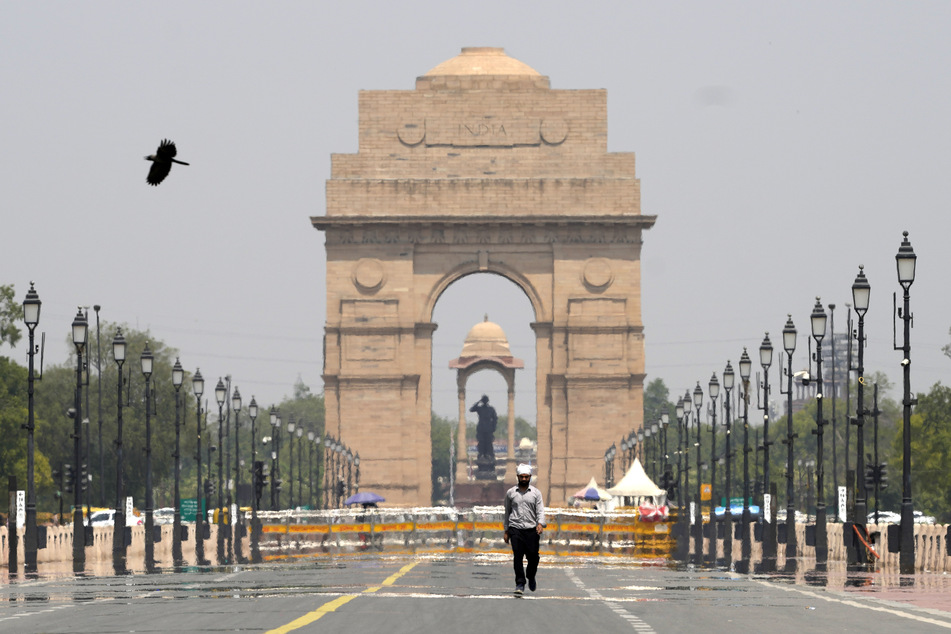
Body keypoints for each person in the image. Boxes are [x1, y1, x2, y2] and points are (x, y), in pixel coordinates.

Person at [503, 463, 546, 596]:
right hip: (515, 529)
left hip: (531, 529)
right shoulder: (511, 493)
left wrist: (540, 524)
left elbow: (540, 510)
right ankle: (520, 583)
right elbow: (507, 511)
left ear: (530, 477)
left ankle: (530, 575)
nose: (524, 479)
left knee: (533, 557)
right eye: (522, 477)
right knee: (518, 556)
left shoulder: (536, 493)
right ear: (517, 477)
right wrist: (506, 530)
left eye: (526, 477)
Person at [470, 395, 497, 460]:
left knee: (488, 443)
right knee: (481, 442)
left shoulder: (491, 409)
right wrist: (478, 402)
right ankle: (481, 454)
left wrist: (493, 427)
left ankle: (489, 455)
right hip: (481, 428)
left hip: (488, 428)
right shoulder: (480, 408)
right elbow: (471, 409)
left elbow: (495, 419)